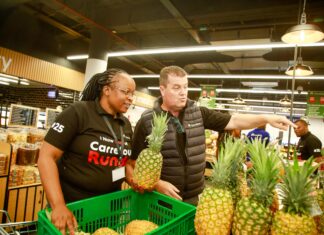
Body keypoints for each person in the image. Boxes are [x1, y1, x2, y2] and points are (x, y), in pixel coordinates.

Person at [125, 65, 295, 206]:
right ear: (162, 90)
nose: (183, 92)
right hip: (159, 199)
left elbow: (234, 120)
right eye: (176, 87)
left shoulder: (199, 113)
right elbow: (132, 166)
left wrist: (266, 118)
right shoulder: (146, 121)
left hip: (194, 199)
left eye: (185, 87)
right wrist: (157, 184)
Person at [38, 69, 135, 235]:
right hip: (73, 209)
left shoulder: (124, 124)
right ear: (107, 90)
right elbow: (46, 157)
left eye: (133, 94)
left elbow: (123, 162)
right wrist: (58, 205)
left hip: (109, 211)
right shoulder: (78, 112)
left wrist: (139, 180)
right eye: (126, 92)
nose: (131, 98)